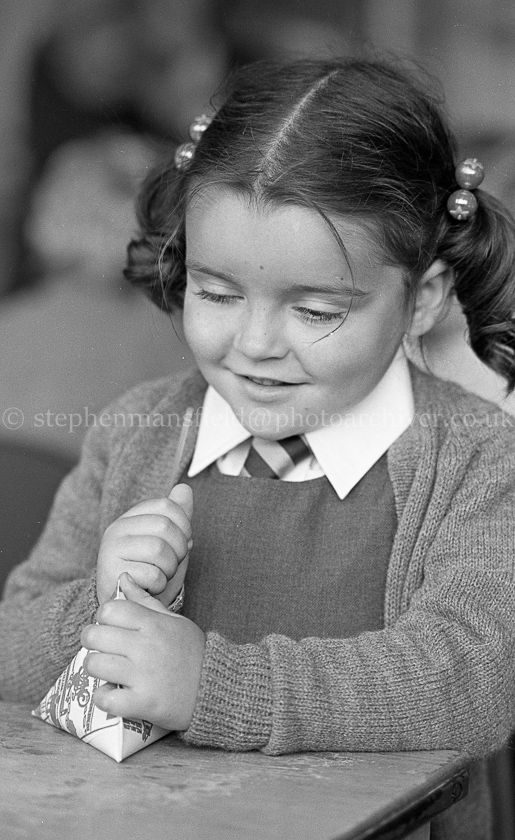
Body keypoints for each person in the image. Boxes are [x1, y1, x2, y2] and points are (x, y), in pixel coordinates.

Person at [1, 58, 515, 840]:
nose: (253, 344)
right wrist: (98, 610)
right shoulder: (138, 432)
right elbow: (12, 650)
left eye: (314, 310)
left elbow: (473, 680)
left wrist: (212, 685)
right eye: (216, 293)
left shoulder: (474, 456)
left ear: (424, 298)